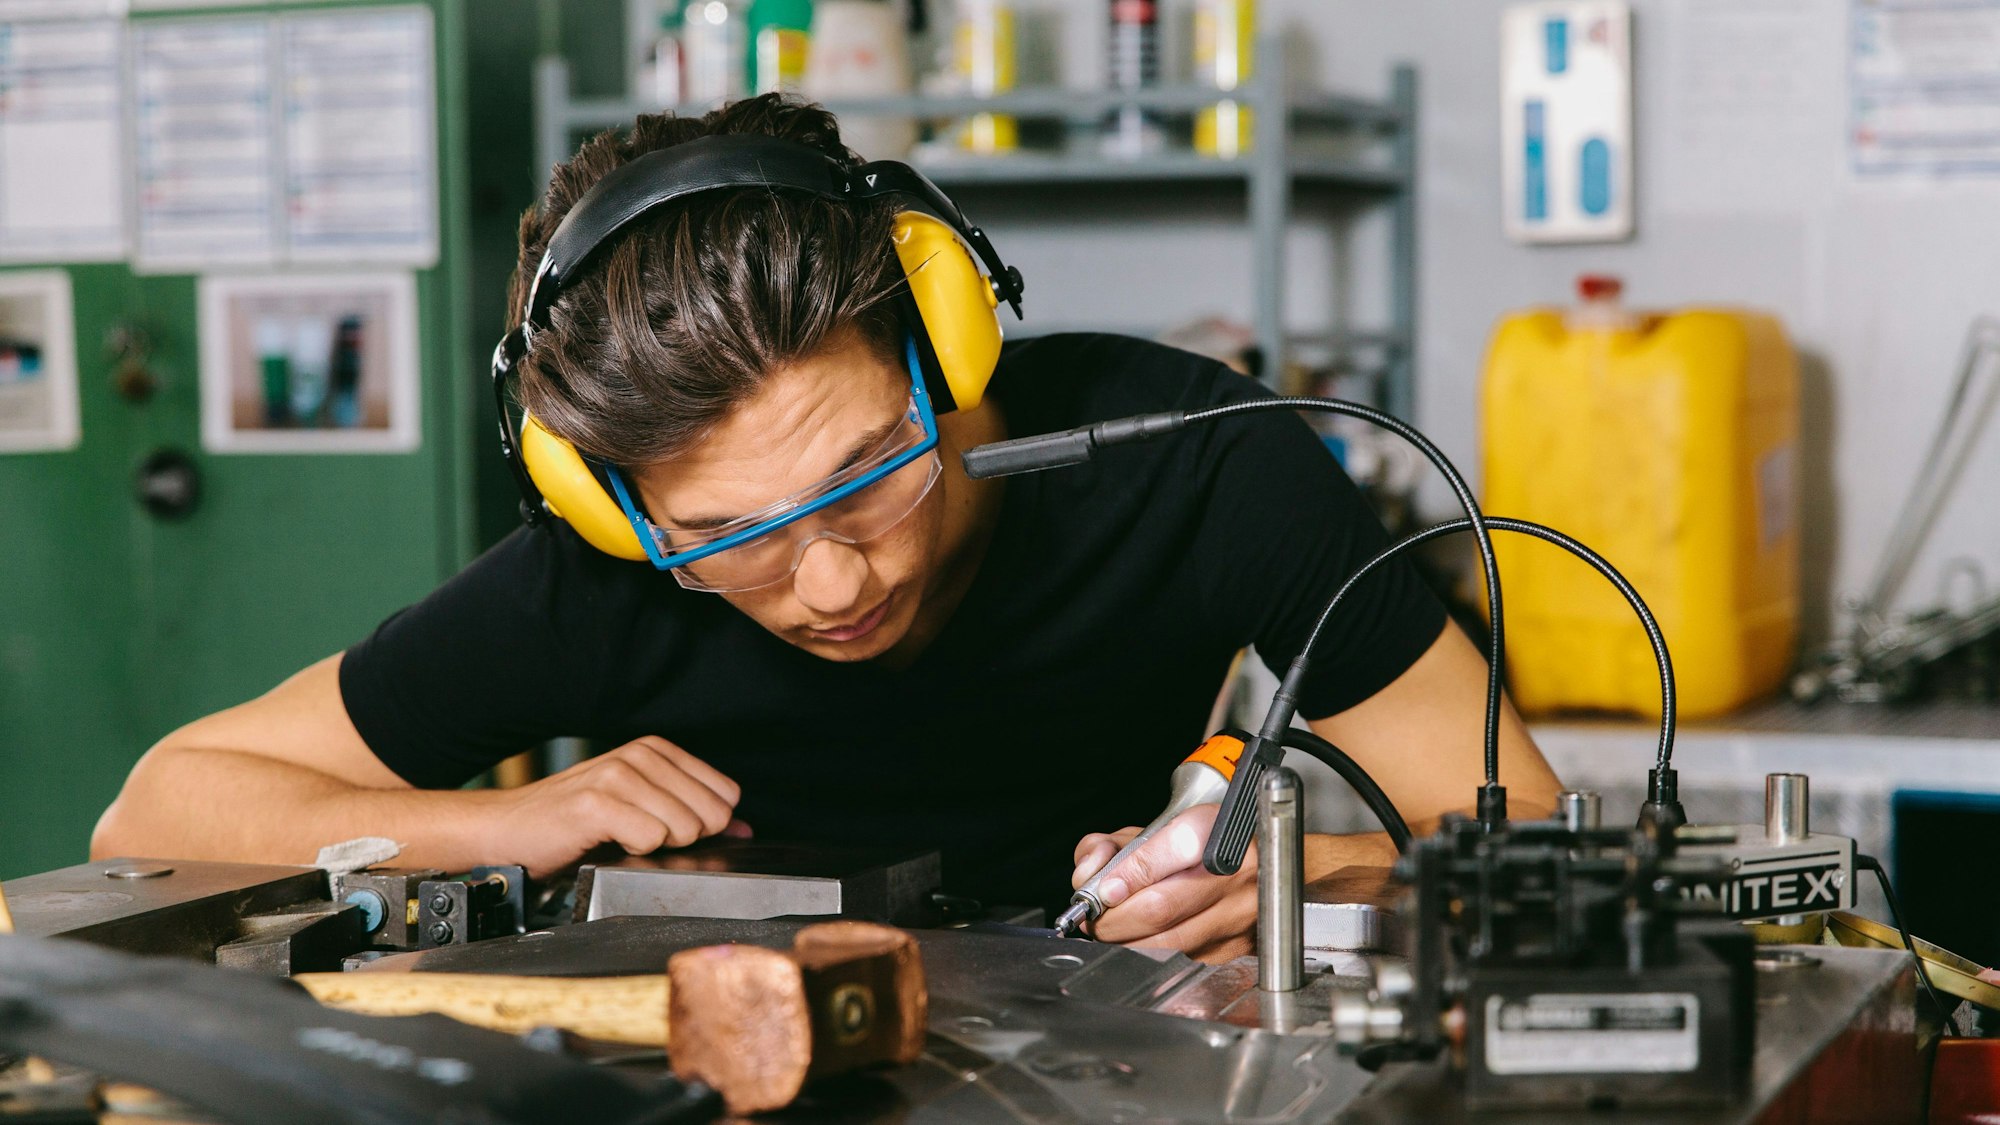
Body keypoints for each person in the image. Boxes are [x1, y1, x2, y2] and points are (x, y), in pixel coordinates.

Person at [93, 96, 1560, 961]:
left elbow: (1524, 837)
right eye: (727, 533)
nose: (835, 578)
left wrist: (1289, 890)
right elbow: (154, 816)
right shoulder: (602, 577)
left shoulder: (1198, 467)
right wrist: (503, 819)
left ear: (946, 342)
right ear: (607, 502)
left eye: (868, 468)